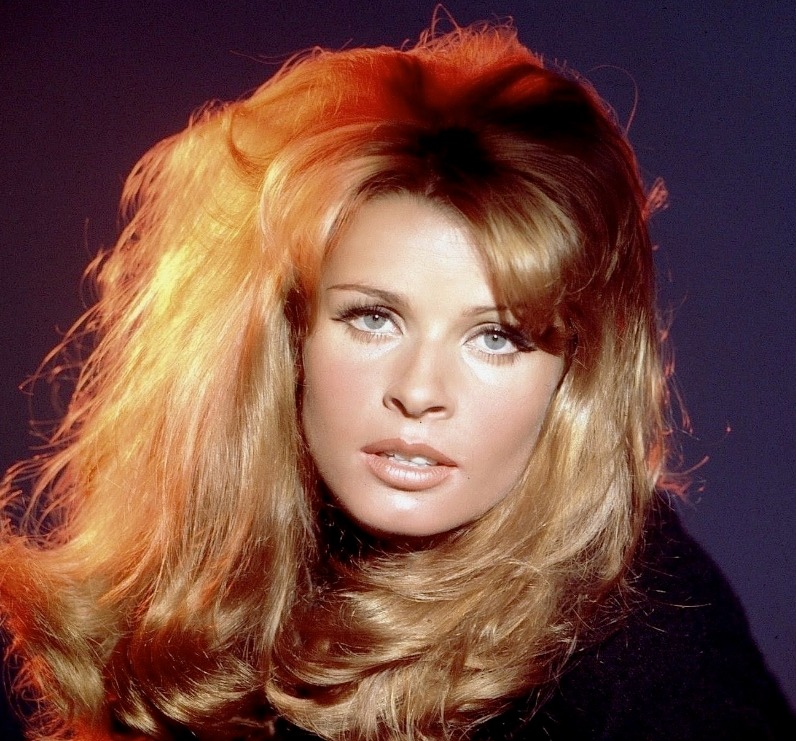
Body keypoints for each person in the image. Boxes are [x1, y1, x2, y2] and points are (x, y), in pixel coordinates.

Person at [0, 20, 792, 741]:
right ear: (290, 330)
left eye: (496, 337)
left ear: (573, 372)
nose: (418, 391)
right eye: (374, 317)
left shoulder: (648, 653)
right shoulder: (200, 570)